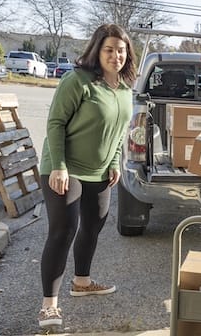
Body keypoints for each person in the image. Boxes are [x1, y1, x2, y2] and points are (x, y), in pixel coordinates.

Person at [37, 24, 137, 328]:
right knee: (63, 231)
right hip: (64, 168)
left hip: (100, 172)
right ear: (97, 50)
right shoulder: (78, 81)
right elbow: (55, 123)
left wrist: (115, 162)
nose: (115, 55)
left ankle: (82, 283)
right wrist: (59, 166)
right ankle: (49, 306)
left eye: (121, 50)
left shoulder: (124, 87)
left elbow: (120, 131)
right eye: (109, 49)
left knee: (93, 227)